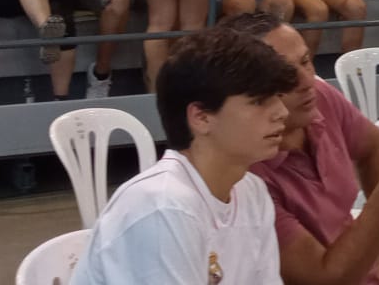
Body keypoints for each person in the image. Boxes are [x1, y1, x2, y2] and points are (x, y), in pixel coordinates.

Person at [231, 11, 379, 285]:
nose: (306, 82)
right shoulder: (246, 173)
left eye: (306, 61)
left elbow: (374, 147)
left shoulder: (320, 96)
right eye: (284, 74)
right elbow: (326, 277)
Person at [71, 26, 300, 285]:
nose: (281, 112)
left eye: (278, 98)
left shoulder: (252, 193)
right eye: (260, 101)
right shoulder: (163, 206)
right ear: (201, 117)